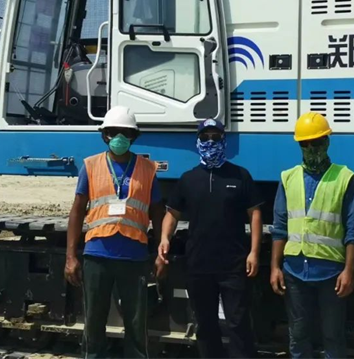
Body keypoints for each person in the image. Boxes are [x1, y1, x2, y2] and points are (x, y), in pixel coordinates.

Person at [157, 119, 263, 359]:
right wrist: (165, 238)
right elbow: (171, 214)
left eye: (216, 137)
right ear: (197, 141)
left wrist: (254, 252)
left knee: (238, 324)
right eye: (205, 138)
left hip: (234, 266)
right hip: (199, 266)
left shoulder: (240, 175)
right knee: (205, 325)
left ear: (224, 140)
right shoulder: (188, 179)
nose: (210, 142)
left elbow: (255, 214)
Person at [65, 106, 165, 359]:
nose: (119, 137)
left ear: (133, 136)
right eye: (114, 132)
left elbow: (157, 214)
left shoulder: (148, 169)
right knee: (94, 323)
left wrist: (160, 253)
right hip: (97, 256)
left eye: (125, 133)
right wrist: (71, 257)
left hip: (134, 257)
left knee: (135, 324)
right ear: (105, 135)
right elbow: (77, 211)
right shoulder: (90, 166)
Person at [270, 112, 354, 359]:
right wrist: (275, 267)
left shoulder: (344, 178)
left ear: (327, 142)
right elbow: (279, 227)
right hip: (295, 270)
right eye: (305, 143)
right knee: (298, 336)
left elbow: (353, 231)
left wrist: (349, 271)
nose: (311, 148)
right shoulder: (287, 178)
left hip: (331, 273)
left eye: (317, 142)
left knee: (333, 337)